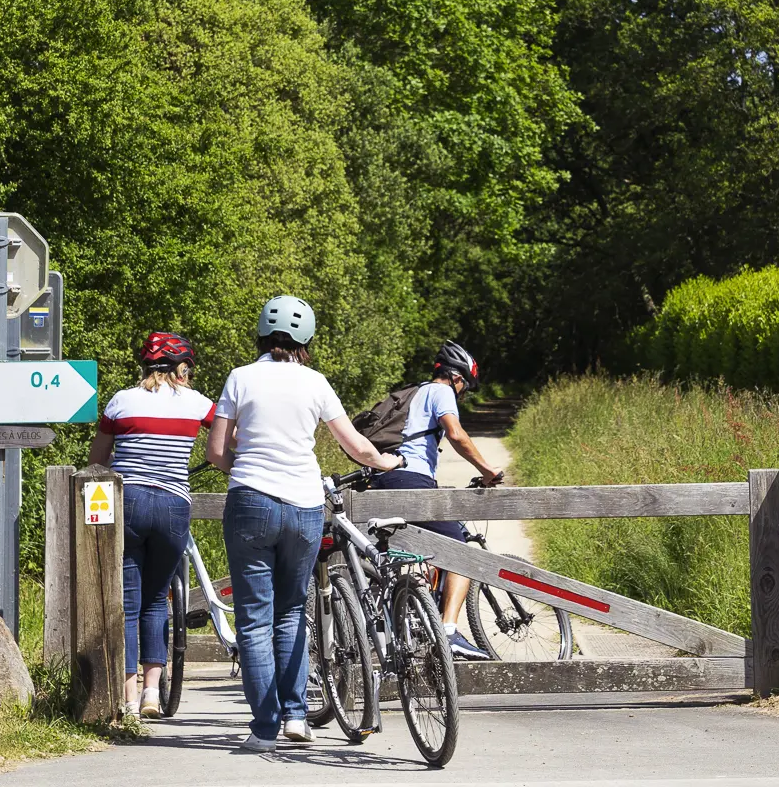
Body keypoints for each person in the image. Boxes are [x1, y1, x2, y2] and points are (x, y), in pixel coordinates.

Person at [207, 294, 404, 751]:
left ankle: (264, 730)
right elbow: (357, 447)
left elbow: (217, 451)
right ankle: (297, 717)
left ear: (261, 333)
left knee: (254, 620)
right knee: (292, 613)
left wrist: (246, 467)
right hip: (304, 506)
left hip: (251, 502)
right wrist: (389, 461)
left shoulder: (240, 378)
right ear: (307, 339)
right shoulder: (315, 383)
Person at [87, 331, 215, 718]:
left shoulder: (121, 401)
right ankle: (152, 694)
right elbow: (231, 437)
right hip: (174, 505)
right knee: (158, 598)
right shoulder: (195, 403)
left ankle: (126, 699)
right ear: (181, 367)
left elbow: (98, 460)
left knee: (127, 601)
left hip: (129, 503)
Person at [369, 339, 503, 660]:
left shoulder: (413, 393)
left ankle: (414, 615)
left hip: (379, 481)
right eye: (465, 387)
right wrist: (487, 471)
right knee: (460, 553)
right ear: (457, 378)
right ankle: (449, 632)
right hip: (410, 481)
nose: (463, 392)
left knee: (421, 549)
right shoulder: (441, 392)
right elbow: (455, 434)